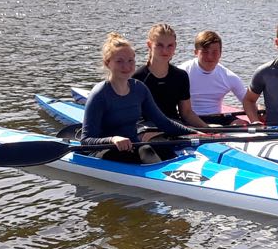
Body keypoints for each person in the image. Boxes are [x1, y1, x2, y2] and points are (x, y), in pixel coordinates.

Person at [82, 32, 198, 163]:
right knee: (141, 152)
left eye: (130, 61)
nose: (126, 66)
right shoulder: (99, 94)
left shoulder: (139, 89)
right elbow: (86, 141)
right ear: (108, 63)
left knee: (155, 150)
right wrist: (113, 139)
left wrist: (195, 133)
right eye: (119, 61)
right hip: (104, 151)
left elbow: (163, 122)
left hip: (133, 147)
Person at [132, 24, 209, 134]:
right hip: (147, 129)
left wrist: (208, 130)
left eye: (170, 46)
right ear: (149, 45)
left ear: (175, 46)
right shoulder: (137, 78)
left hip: (174, 126)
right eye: (159, 45)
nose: (165, 50)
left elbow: (186, 113)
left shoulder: (181, 76)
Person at [179, 30, 248, 121]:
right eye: (205, 52)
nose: (210, 57)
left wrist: (259, 112)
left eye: (214, 52)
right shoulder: (182, 72)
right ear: (196, 52)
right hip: (189, 119)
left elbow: (248, 102)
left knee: (240, 123)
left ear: (220, 53)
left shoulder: (229, 77)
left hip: (216, 117)